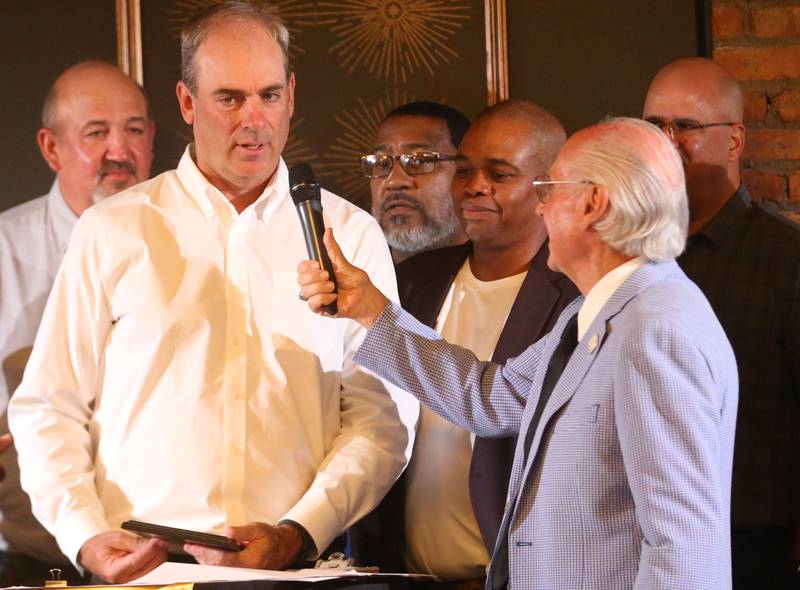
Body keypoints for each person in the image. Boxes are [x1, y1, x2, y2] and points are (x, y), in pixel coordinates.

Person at [9, 2, 414, 584]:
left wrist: (299, 531)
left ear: (292, 95)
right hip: (139, 576)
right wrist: (85, 537)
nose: (254, 119)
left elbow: (382, 419)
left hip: (293, 573)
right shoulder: (113, 229)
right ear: (187, 103)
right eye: (229, 99)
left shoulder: (347, 235)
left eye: (270, 95)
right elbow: (49, 406)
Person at [299, 117, 738, 589]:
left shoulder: (655, 329)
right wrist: (369, 308)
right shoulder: (595, 313)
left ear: (593, 203)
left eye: (549, 188)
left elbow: (684, 548)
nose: (542, 206)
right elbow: (491, 397)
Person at [350, 100, 578, 585]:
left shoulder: (574, 300)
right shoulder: (409, 283)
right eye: (465, 170)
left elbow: (495, 405)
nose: (475, 186)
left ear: (548, 189)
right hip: (402, 574)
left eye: (499, 174)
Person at [643, 57, 800, 589]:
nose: (665, 144)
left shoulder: (787, 259)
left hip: (753, 548)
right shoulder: (624, 257)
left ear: (734, 142)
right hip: (636, 544)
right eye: (653, 127)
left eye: (683, 128)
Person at [0, 60, 155, 586]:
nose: (120, 151)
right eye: (96, 133)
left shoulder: (195, 247)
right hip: (26, 554)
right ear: (51, 148)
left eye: (134, 130)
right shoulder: (3, 253)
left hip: (159, 549)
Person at [366, 101, 469, 263]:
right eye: (382, 163)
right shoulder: (344, 278)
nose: (394, 181)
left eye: (419, 161)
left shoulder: (506, 282)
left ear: (466, 173)